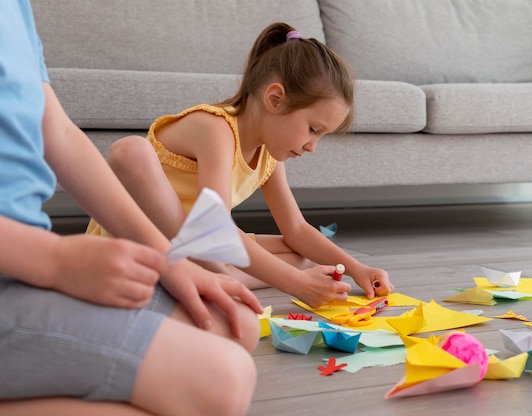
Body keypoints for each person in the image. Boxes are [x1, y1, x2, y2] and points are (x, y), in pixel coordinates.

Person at [0, 2, 263, 415]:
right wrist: (54, 260)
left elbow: (60, 134)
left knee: (234, 323)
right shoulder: (217, 129)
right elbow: (215, 227)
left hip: (21, 261)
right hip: (23, 263)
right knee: (223, 380)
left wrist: (170, 262)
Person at [87, 22, 395, 309]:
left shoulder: (269, 153)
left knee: (300, 254)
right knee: (134, 151)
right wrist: (297, 285)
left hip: (196, 246)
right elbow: (213, 226)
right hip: (137, 238)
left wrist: (357, 268)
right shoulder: (216, 129)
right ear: (275, 99)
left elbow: (296, 229)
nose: (312, 146)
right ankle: (218, 274)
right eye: (313, 129)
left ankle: (222, 275)